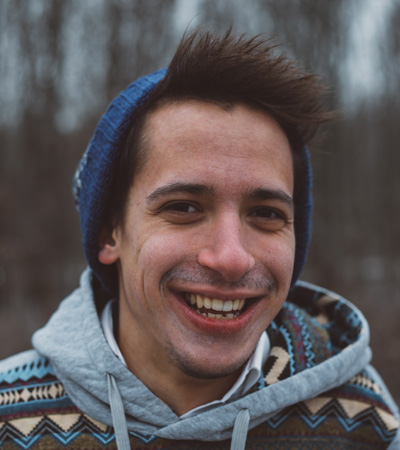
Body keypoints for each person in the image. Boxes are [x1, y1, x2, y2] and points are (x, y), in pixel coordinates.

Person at [0, 30, 398, 450]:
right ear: (108, 233)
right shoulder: (10, 420)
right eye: (184, 207)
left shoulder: (364, 422)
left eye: (266, 214)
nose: (231, 258)